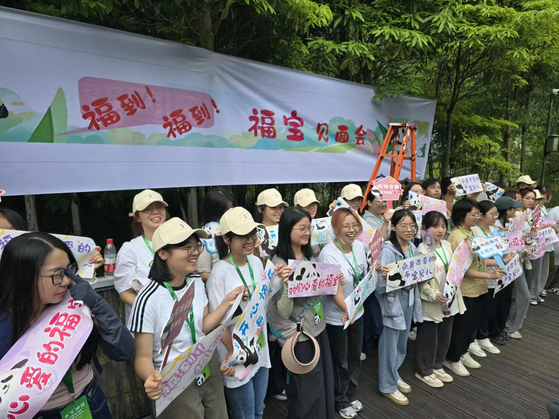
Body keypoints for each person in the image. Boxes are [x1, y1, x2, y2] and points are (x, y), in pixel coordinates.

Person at [0, 232, 134, 418]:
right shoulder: (4, 326)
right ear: (24, 277)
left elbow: (124, 351)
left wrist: (98, 305)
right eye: (57, 274)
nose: (65, 281)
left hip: (89, 400)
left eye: (68, 270)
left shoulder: (76, 303)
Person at [130, 218, 241, 418]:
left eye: (196, 246)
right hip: (175, 378)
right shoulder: (147, 299)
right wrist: (150, 377)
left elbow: (204, 326)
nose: (195, 252)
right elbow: (143, 356)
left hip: (208, 366)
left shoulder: (196, 281)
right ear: (163, 253)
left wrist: (226, 303)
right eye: (186, 247)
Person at [207, 207, 286, 419]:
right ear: (226, 239)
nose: (249, 240)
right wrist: (234, 354)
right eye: (242, 236)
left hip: (259, 348)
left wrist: (278, 278)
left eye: (251, 234)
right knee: (245, 416)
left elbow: (263, 297)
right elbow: (217, 323)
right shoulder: (219, 273)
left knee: (258, 412)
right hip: (235, 353)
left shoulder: (254, 261)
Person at [268, 207, 335, 419]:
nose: (307, 233)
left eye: (309, 228)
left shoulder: (311, 252)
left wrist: (333, 280)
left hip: (317, 326)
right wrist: (287, 285)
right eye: (302, 228)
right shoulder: (278, 264)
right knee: (304, 390)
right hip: (298, 336)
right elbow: (282, 311)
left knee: (321, 383)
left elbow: (320, 287)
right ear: (287, 230)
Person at [444, 199, 505, 375]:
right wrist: (489, 275)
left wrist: (501, 263)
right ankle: (453, 358)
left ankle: (462, 352)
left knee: (471, 324)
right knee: (462, 326)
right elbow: (459, 270)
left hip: (477, 288)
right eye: (474, 214)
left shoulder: (471, 233)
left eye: (479, 213)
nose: (478, 217)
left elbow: (480, 258)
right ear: (462, 215)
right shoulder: (457, 236)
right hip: (465, 290)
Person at [319, 207, 368, 419]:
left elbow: (363, 276)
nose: (351, 230)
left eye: (354, 225)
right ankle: (341, 400)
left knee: (355, 356)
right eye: (345, 226)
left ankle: (352, 393)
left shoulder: (359, 246)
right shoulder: (328, 253)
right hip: (338, 316)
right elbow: (333, 291)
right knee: (342, 361)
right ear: (335, 228)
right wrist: (348, 310)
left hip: (357, 311)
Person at [376, 209, 423, 406]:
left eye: (412, 225)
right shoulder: (388, 250)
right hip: (394, 302)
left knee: (401, 342)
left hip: (409, 299)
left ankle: (394, 373)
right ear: (393, 227)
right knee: (390, 342)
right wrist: (386, 277)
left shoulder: (412, 247)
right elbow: (379, 284)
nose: (409, 229)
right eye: (403, 225)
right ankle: (387, 385)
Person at [415, 211, 465, 388]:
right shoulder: (423, 248)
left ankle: (438, 364)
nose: (440, 230)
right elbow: (420, 280)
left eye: (443, 226)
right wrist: (432, 294)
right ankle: (425, 369)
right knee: (429, 335)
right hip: (432, 299)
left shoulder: (446, 245)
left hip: (449, 296)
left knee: (445, 332)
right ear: (425, 228)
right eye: (435, 226)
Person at [114, 189, 170, 322]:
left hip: (177, 317)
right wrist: (151, 309)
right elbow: (125, 293)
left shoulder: (178, 242)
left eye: (159, 207)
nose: (155, 211)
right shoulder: (130, 249)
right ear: (137, 217)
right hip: (145, 320)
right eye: (148, 208)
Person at [471, 201, 513, 356]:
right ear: (481, 215)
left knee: (488, 308)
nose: (495, 217)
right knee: (478, 310)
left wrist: (508, 256)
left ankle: (483, 336)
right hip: (481, 277)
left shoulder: (495, 231)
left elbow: (502, 252)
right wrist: (499, 262)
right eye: (492, 214)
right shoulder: (475, 232)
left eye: (496, 214)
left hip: (495, 277)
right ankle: (473, 339)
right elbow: (476, 259)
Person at [493, 196, 525, 344]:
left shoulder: (507, 225)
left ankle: (502, 328)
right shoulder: (497, 228)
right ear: (507, 211)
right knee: (501, 302)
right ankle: (501, 330)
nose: (516, 211)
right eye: (514, 208)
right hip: (501, 269)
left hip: (508, 267)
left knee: (506, 299)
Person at [197, 187, 238, 281]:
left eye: (233, 209)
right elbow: (203, 273)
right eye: (227, 211)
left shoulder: (238, 232)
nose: (231, 214)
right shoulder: (205, 237)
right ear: (213, 213)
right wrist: (228, 279)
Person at [520, 188, 545, 306]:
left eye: (533, 199)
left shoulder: (530, 213)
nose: (531, 201)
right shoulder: (518, 214)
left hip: (528, 251)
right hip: (517, 254)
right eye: (527, 198)